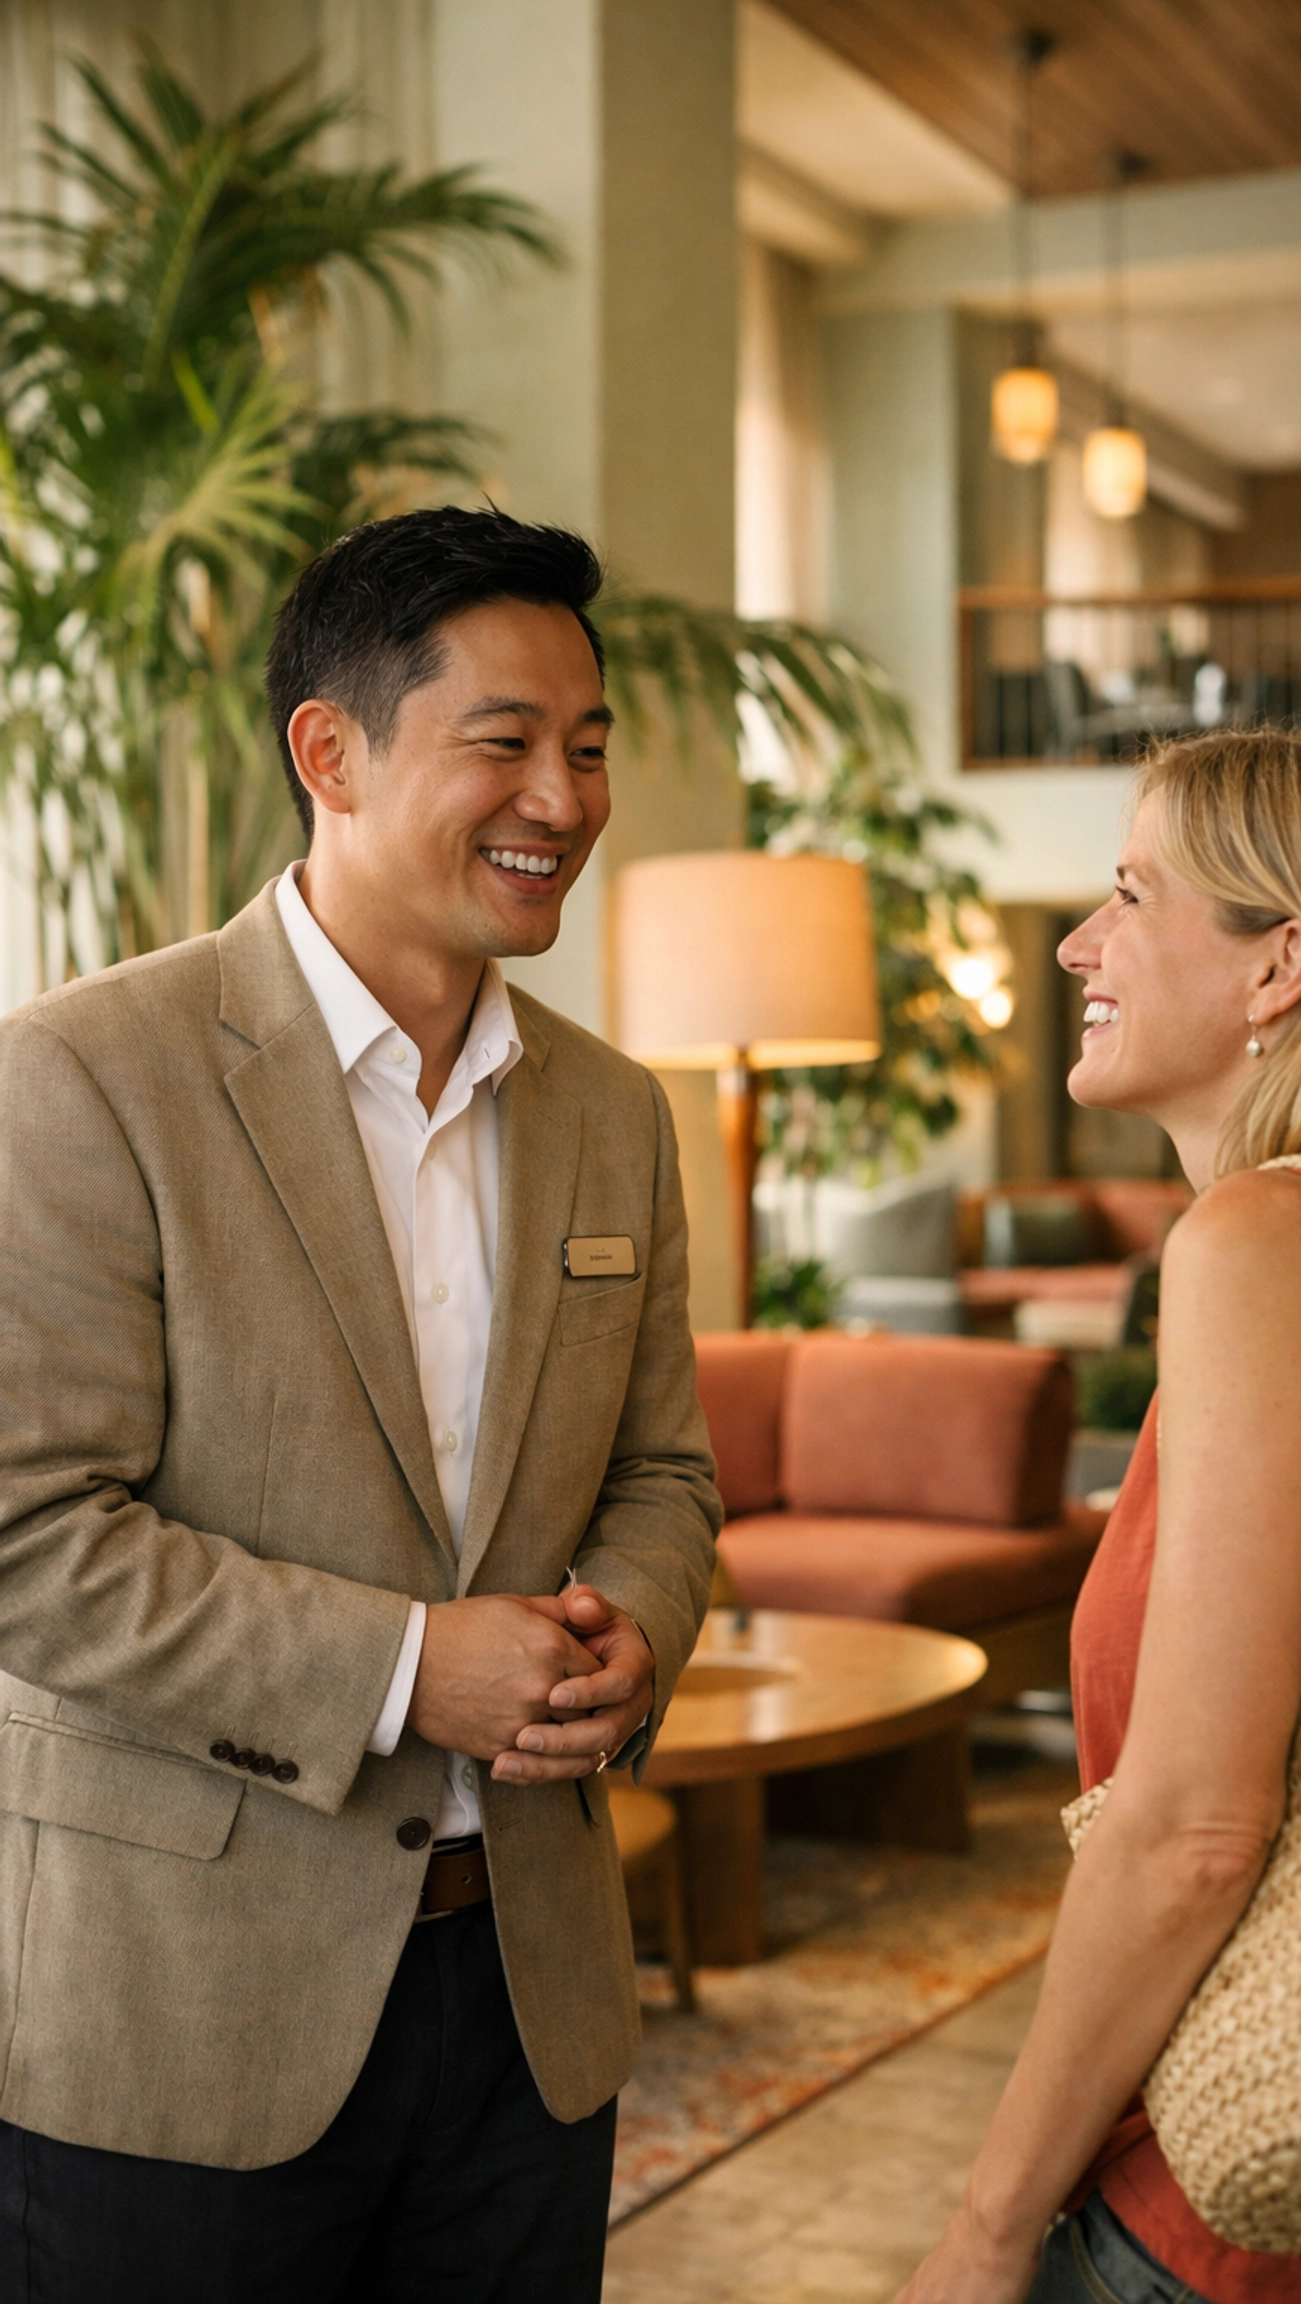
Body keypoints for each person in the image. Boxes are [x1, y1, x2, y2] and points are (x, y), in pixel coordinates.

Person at [0, 506, 720, 2302]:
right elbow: (28, 1538)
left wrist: (633, 1628)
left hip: (531, 2012)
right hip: (180, 2018)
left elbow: (664, 1471)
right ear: (330, 751)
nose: (564, 795)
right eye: (507, 744)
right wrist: (407, 1667)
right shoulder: (87, 1074)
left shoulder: (614, 1110)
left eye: (591, 746)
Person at [895, 728, 1301, 2304]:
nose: (1074, 943)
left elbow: (1188, 1833)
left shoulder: (1274, 1241)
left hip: (1273, 2224)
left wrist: (984, 2230)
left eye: (1128, 893)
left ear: (1282, 969)